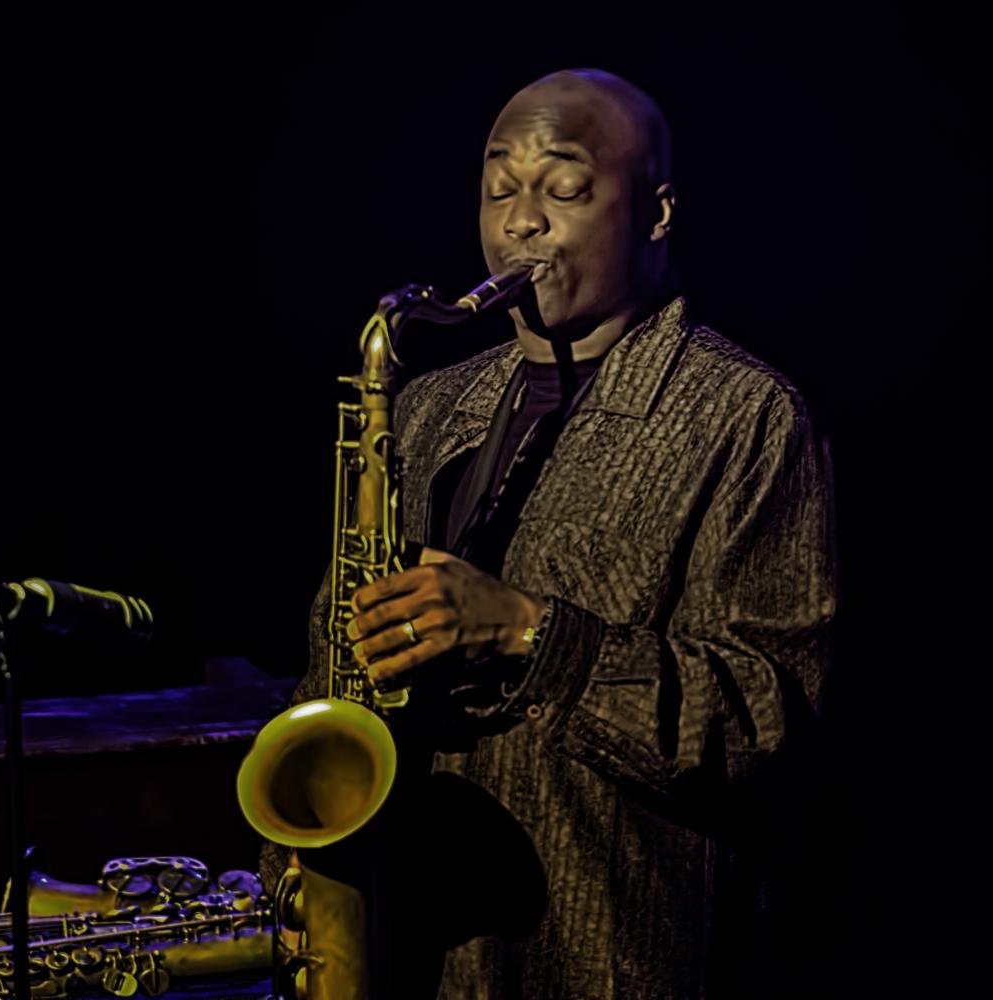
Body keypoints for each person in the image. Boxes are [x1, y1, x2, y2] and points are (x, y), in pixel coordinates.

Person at [263, 67, 836, 999]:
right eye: (498, 190)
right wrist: (295, 863)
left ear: (654, 213)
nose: (520, 221)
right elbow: (334, 667)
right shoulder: (427, 408)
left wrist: (530, 632)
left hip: (603, 953)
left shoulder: (746, 416)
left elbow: (767, 724)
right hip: (411, 947)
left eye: (563, 188)